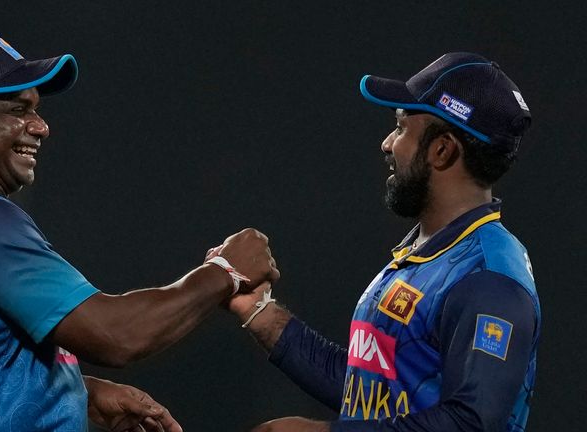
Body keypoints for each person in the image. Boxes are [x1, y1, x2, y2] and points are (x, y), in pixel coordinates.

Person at [0, 32, 279, 431]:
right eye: (16, 109)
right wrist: (224, 272)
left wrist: (79, 392)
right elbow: (116, 335)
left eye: (36, 110)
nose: (40, 127)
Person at [226, 52, 540, 431]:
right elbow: (374, 389)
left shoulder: (489, 279)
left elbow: (472, 423)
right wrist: (259, 311)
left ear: (442, 150)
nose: (387, 144)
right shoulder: (429, 251)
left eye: (401, 127)